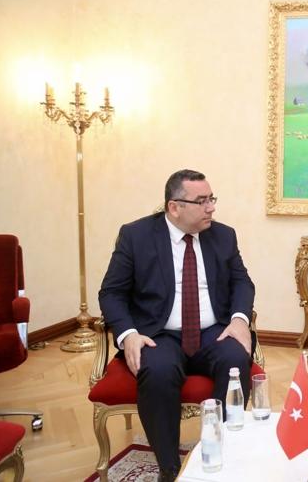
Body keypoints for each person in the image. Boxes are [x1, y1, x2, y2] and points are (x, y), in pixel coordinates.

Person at [99, 169, 255, 481]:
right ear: (174, 207)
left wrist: (239, 319)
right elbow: (111, 293)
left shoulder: (224, 235)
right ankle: (169, 469)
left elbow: (242, 282)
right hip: (158, 333)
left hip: (213, 331)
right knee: (157, 371)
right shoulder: (136, 236)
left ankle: (220, 455)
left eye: (212, 199)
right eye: (202, 201)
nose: (211, 207)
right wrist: (128, 335)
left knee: (236, 359)